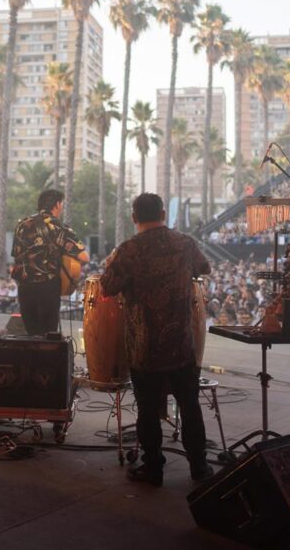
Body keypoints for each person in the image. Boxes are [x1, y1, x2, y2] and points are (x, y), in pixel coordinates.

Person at [100, 193, 212, 486]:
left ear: (134, 218)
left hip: (144, 346)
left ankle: (154, 469)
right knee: (189, 405)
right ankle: (199, 467)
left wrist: (112, 260)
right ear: (163, 213)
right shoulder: (184, 243)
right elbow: (204, 268)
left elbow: (108, 287)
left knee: (148, 409)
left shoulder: (129, 250)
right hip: (180, 344)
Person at [10, 189, 89, 336]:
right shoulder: (59, 227)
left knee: (31, 334)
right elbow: (84, 257)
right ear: (57, 204)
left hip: (25, 287)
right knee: (48, 336)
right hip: (47, 287)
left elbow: (17, 255)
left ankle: (32, 359)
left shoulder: (21, 225)